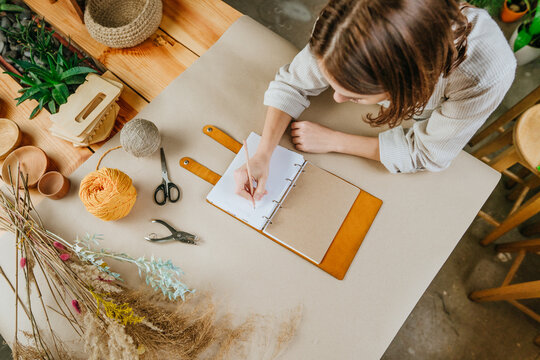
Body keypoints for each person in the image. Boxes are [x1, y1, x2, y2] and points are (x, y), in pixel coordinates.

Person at [234, 0, 516, 202]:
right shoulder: (352, 18)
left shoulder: (485, 74)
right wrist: (262, 153)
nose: (336, 98)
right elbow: (293, 83)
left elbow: (429, 153)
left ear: (406, 85)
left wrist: (335, 141)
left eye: (354, 95)